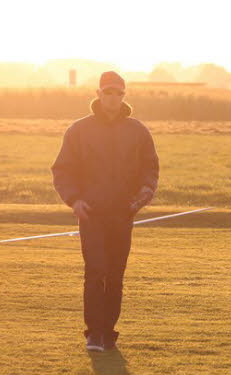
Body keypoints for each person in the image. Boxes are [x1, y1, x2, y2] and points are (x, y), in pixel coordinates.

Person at [52, 71, 159, 352]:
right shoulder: (79, 130)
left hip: (123, 214)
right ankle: (94, 334)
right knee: (95, 271)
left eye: (119, 93)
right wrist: (74, 200)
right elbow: (62, 170)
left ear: (124, 96)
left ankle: (108, 332)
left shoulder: (138, 131)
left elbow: (151, 169)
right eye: (108, 92)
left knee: (115, 274)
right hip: (92, 213)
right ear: (98, 94)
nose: (113, 98)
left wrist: (143, 195)